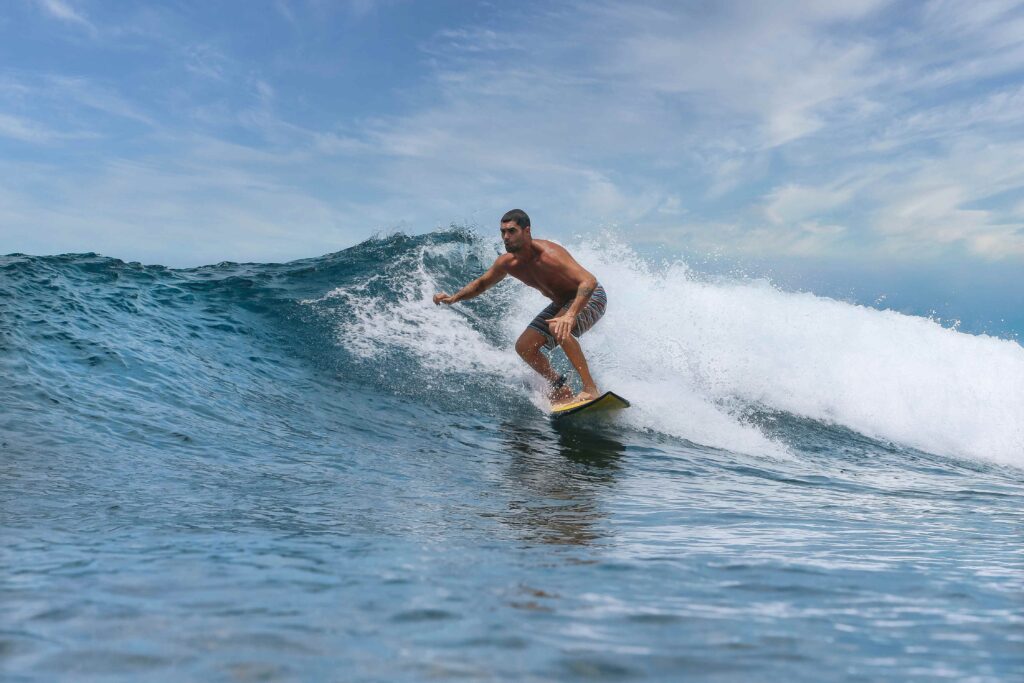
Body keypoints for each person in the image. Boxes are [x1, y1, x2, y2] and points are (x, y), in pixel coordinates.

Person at [433, 209, 607, 405]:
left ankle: (590, 389)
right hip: (561, 302)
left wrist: (570, 315)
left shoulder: (550, 255)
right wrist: (453, 298)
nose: (505, 237)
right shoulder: (508, 263)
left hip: (590, 297)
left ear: (527, 231)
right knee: (524, 347)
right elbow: (481, 284)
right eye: (503, 232)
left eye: (511, 231)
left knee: (557, 326)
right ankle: (560, 387)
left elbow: (589, 281)